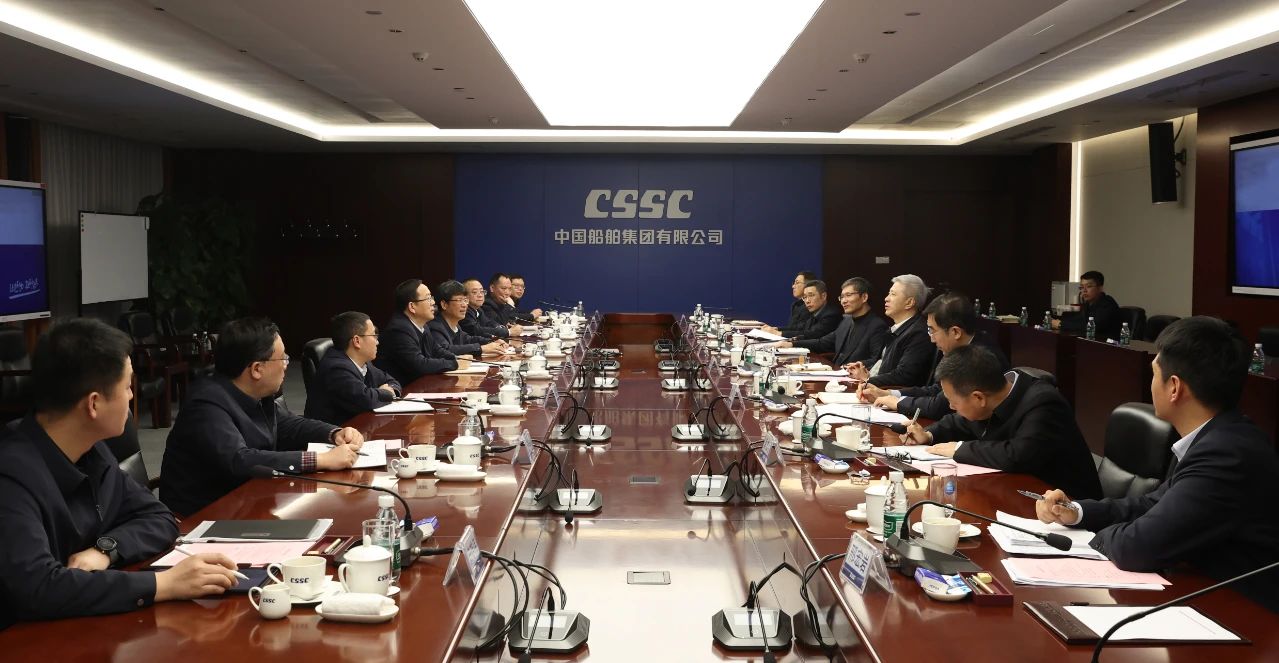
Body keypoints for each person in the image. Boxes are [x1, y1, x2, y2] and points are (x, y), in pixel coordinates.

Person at [0, 319, 239, 628]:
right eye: (127, 386)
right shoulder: (12, 476)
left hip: (82, 624)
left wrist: (106, 550)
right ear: (94, 404)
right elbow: (39, 588)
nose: (131, 396)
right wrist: (163, 585)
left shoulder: (91, 449)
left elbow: (159, 517)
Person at [1035, 317, 1279, 612]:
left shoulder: (1227, 454)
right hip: (1202, 591)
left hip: (1243, 614)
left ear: (1174, 387)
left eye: (1154, 373)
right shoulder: (1217, 436)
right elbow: (1153, 504)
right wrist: (1076, 513)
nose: (1151, 384)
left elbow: (1137, 547)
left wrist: (1091, 539)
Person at [160, 317, 364, 516]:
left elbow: (285, 424)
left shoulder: (254, 392)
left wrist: (333, 433)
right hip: (203, 517)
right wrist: (321, 460)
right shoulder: (205, 404)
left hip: (249, 499)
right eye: (282, 358)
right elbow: (240, 460)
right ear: (257, 369)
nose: (286, 364)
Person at [900, 345, 1102, 499]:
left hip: (1068, 505)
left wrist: (959, 449)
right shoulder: (995, 392)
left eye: (954, 402)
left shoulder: (1044, 404)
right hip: (1017, 492)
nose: (952, 407)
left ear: (978, 398)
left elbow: (1017, 455)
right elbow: (961, 421)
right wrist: (929, 434)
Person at [860, 292, 1009, 419]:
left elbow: (940, 405)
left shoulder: (979, 357)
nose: (931, 339)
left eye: (932, 330)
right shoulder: (956, 348)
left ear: (955, 332)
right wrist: (889, 393)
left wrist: (897, 402)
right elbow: (935, 390)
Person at [303, 311, 402, 426]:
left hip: (356, 427)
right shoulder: (336, 369)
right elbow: (366, 400)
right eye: (374, 336)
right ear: (357, 341)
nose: (377, 342)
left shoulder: (364, 363)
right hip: (333, 433)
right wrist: (386, 393)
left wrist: (390, 391)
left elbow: (390, 380)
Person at [848, 274, 934, 388]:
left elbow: (904, 376)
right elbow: (884, 363)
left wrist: (868, 380)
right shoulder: (897, 328)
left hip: (890, 394)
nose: (886, 298)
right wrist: (863, 367)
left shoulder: (918, 333)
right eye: (889, 293)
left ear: (909, 303)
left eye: (893, 294)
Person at [374, 279, 467, 385]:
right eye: (428, 298)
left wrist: (456, 358)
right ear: (412, 307)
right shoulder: (399, 330)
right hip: (402, 389)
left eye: (431, 298)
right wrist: (454, 364)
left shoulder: (422, 325)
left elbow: (436, 350)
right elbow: (420, 365)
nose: (433, 302)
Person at [778, 277, 889, 366]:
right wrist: (791, 344)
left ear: (864, 297)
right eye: (842, 297)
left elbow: (876, 361)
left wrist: (852, 367)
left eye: (848, 295)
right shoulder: (846, 320)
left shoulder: (877, 326)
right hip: (836, 373)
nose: (844, 301)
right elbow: (822, 342)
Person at [430, 280, 508, 358]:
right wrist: (481, 348)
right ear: (444, 304)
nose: (464, 305)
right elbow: (446, 349)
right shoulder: (435, 326)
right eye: (459, 300)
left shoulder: (455, 325)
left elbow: (467, 339)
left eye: (465, 300)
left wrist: (491, 341)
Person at [762, 279, 841, 341]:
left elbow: (812, 334)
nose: (807, 301)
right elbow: (799, 328)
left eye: (811, 295)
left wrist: (779, 333)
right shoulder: (815, 312)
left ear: (823, 296)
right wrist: (776, 329)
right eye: (805, 297)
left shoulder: (831, 314)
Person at [1054, 270, 1121, 340]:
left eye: (1088, 286)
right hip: (1092, 341)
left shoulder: (1108, 304)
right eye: (1082, 287)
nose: (1084, 290)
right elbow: (1079, 320)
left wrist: (1061, 324)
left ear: (1100, 288)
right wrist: (1058, 322)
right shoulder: (1088, 304)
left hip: (1108, 344)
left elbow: (1091, 326)